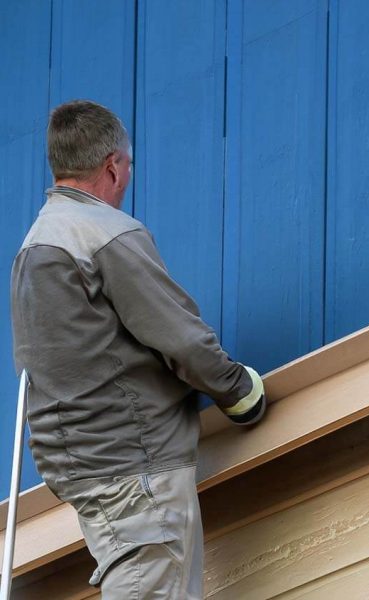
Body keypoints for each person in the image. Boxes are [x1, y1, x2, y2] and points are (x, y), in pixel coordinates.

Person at [11, 99, 266, 599]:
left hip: (86, 468)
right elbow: (180, 337)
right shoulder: (104, 234)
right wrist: (240, 393)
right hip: (136, 471)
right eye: (127, 164)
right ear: (111, 165)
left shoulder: (35, 246)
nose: (128, 176)